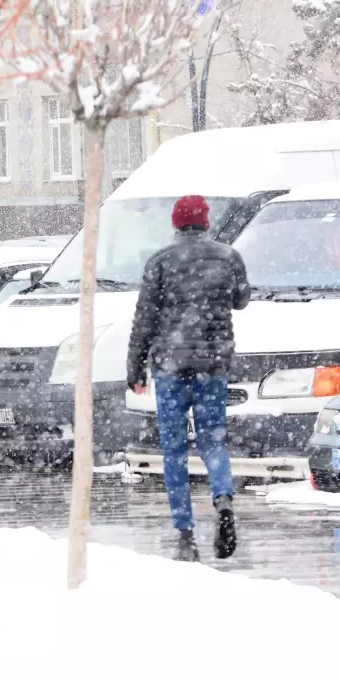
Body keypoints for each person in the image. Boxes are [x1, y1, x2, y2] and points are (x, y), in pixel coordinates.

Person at [127, 195, 250, 562]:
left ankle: (184, 530)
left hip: (170, 367)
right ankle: (223, 498)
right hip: (212, 366)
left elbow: (144, 319)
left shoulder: (160, 261)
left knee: (174, 450)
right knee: (213, 441)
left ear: (176, 223)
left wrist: (134, 365)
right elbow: (241, 300)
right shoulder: (229, 257)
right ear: (206, 223)